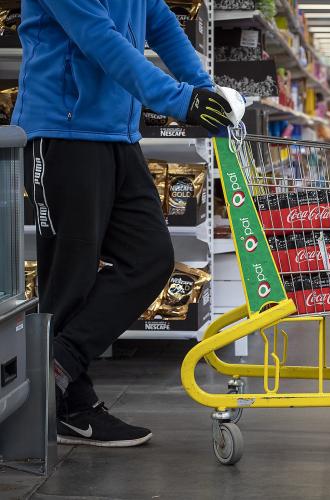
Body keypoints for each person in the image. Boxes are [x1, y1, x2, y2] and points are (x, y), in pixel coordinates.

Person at [12, 0, 234, 447]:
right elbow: (100, 40)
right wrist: (181, 100)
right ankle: (69, 404)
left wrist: (207, 91)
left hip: (119, 134)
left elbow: (162, 24)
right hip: (63, 131)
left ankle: (59, 364)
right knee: (69, 277)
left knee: (150, 257)